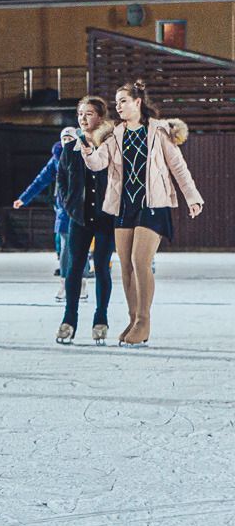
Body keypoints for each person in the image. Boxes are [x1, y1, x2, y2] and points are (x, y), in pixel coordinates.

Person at [79, 81, 204, 347]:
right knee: (125, 265)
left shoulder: (159, 131)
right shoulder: (114, 133)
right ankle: (133, 318)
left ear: (137, 102)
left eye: (123, 101)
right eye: (116, 102)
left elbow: (178, 167)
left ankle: (144, 321)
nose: (118, 106)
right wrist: (88, 151)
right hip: (124, 205)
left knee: (139, 261)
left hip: (153, 204)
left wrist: (192, 197)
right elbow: (98, 163)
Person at [48, 96, 115, 344]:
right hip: (79, 217)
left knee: (102, 268)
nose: (83, 119)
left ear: (100, 117)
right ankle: (69, 320)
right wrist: (70, 205)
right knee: (74, 268)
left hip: (106, 218)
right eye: (80, 114)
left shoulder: (111, 146)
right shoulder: (69, 149)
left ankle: (101, 319)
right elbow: (62, 182)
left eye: (88, 114)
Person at [14, 128, 79, 302]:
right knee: (66, 248)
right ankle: (64, 284)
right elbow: (40, 181)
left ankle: (83, 282)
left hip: (82, 209)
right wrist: (24, 199)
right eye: (64, 138)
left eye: (70, 138)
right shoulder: (56, 160)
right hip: (64, 210)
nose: (66, 141)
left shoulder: (85, 156)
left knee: (80, 248)